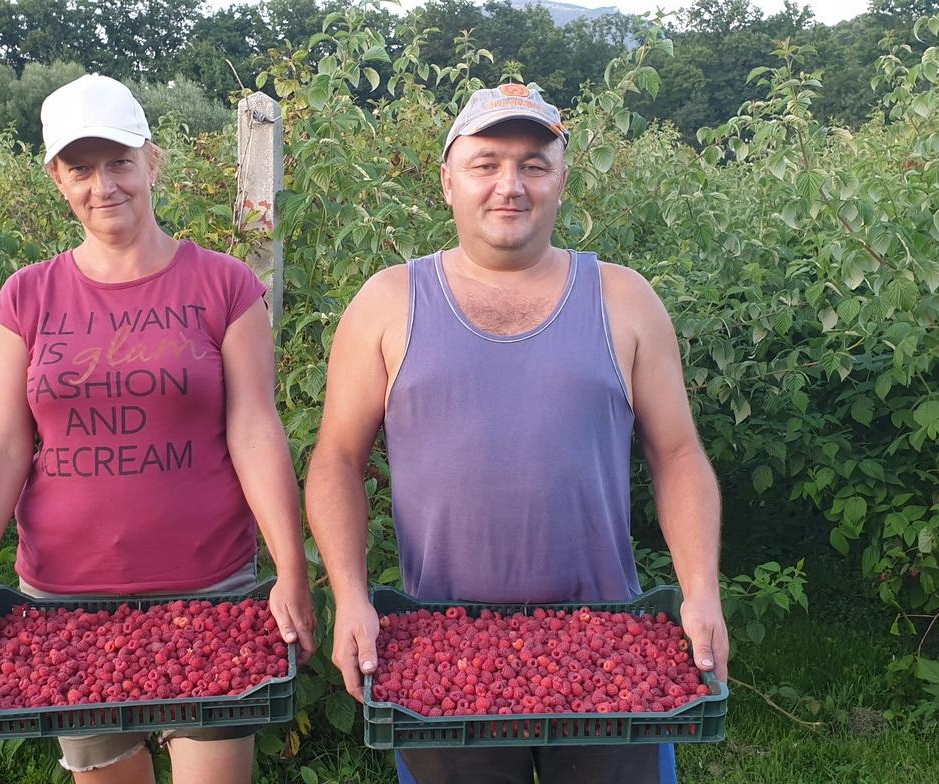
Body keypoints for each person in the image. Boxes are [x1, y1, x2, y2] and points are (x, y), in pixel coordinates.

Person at [306, 83, 728, 784]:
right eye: (485, 163)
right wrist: (350, 595)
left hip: (607, 648)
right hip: (440, 651)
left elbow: (677, 453)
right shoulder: (386, 301)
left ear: (562, 181)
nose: (510, 185)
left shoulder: (623, 298)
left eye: (533, 164)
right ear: (447, 181)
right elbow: (335, 462)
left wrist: (700, 589)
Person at [0, 74, 314, 784]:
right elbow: (1, 444)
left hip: (208, 589)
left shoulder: (224, 284)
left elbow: (255, 430)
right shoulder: (28, 294)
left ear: (153, 161)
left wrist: (290, 571)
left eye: (118, 161)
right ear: (57, 179)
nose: (101, 184)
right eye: (79, 168)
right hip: (64, 600)